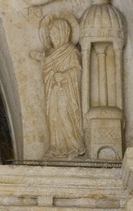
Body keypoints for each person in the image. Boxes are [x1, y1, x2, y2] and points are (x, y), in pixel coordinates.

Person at [35, 14, 83, 159]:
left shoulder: (71, 51)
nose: (52, 37)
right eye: (50, 34)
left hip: (67, 94)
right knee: (54, 118)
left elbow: (77, 71)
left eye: (55, 33)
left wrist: (65, 75)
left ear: (64, 33)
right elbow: (46, 72)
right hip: (53, 92)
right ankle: (57, 147)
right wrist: (43, 62)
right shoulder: (50, 54)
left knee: (64, 114)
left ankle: (73, 145)